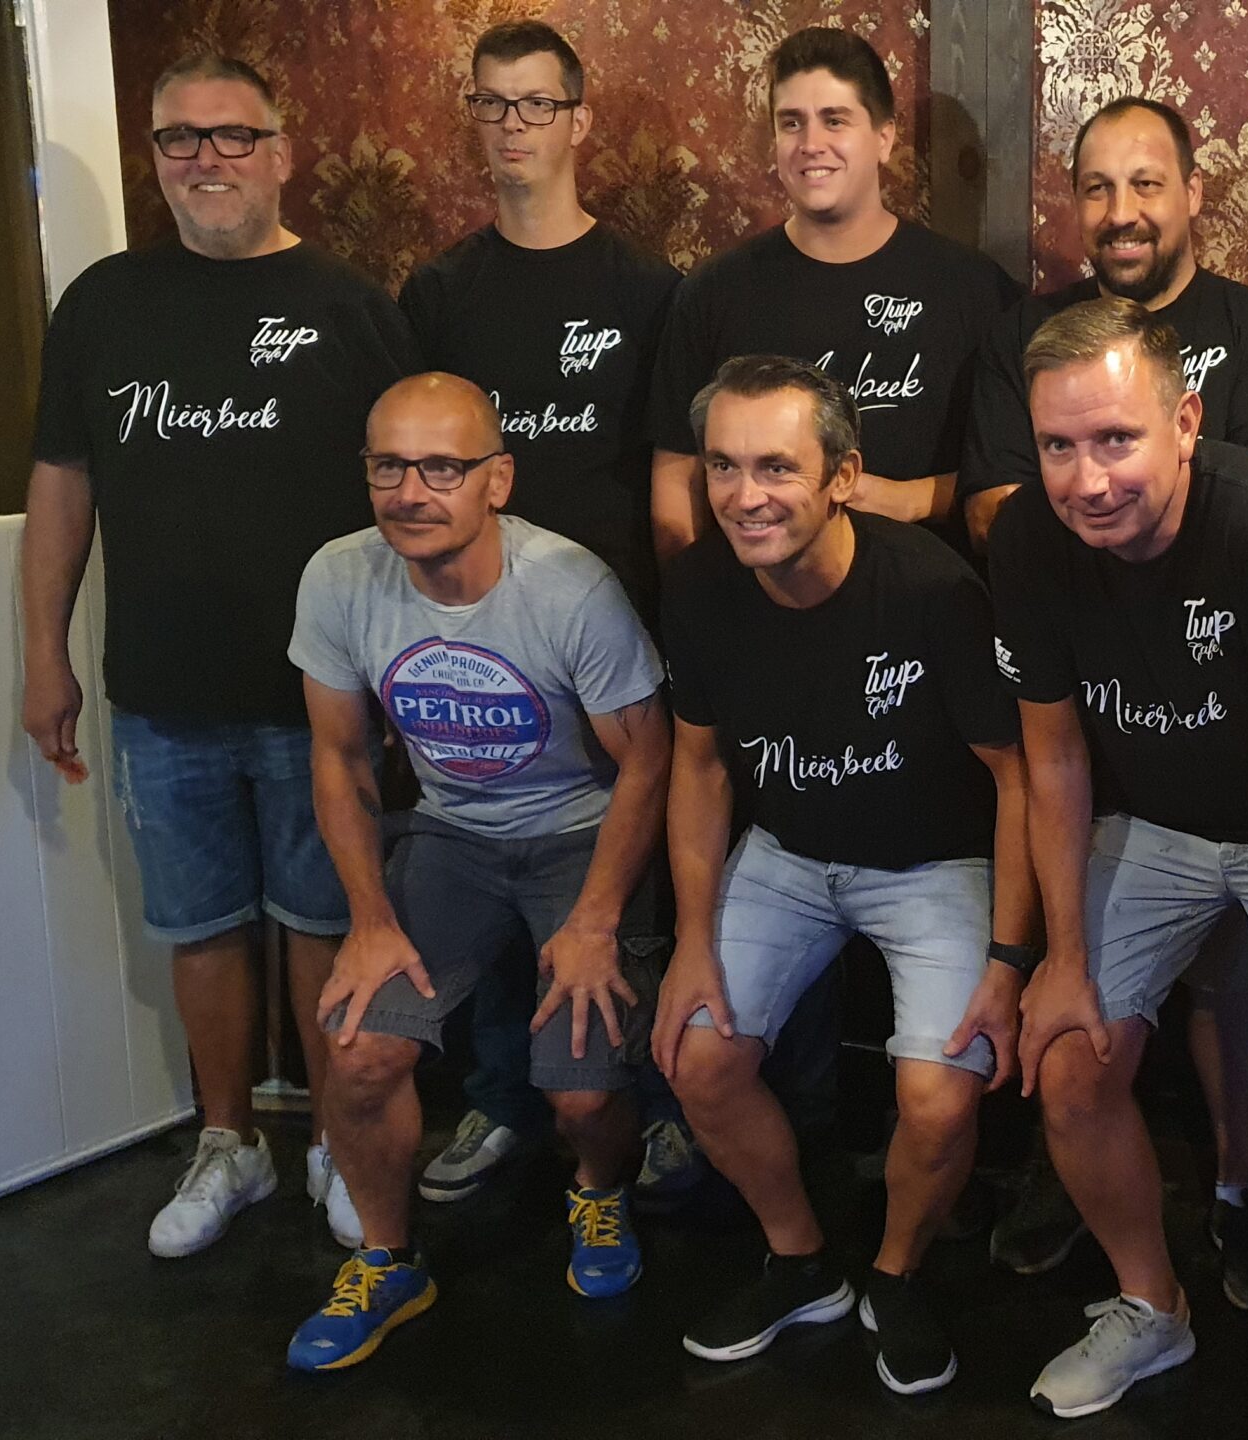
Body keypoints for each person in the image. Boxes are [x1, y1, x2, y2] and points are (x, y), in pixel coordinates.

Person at [990, 298, 1248, 1440]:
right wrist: (1061, 959)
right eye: (1059, 446)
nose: (1087, 480)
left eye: (1115, 439)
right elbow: (1053, 755)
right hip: (1160, 821)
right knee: (1069, 1059)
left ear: (1184, 422)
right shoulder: (1028, 536)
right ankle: (1151, 1307)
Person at [19, 52, 415, 1260]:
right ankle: (229, 1142)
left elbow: (411, 499)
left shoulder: (353, 308)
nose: (206, 158)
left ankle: (336, 1142)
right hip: (162, 691)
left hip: (321, 699)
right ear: (154, 157)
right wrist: (42, 654)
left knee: (322, 924)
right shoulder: (102, 306)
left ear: (281, 152)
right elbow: (61, 485)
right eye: (179, 138)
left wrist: (405, 670)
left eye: (232, 135)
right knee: (200, 928)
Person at [964, 95, 1248, 1306]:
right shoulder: (1025, 334)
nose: (1120, 211)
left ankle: (1241, 1188)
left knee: (1240, 994)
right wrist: (1121, 502)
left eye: (1146, 183)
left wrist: (1109, 519)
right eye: (1097, 188)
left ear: (1192, 194)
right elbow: (997, 512)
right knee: (1079, 1021)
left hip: (1247, 730)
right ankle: (1074, 1188)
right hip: (1093, 724)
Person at [650, 355, 1036, 1395]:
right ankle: (799, 1263)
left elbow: (1018, 778)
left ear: (842, 476)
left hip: (933, 863)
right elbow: (697, 767)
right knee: (697, 1058)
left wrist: (1010, 958)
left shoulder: (933, 590)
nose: (746, 496)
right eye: (723, 467)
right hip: (786, 855)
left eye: (776, 467)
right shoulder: (698, 585)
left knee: (939, 1098)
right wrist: (691, 941)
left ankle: (895, 1275)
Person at [282, 374, 672, 1371]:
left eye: (441, 468)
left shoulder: (570, 588)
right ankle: (387, 1260)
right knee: (359, 1052)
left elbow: (648, 763)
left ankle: (598, 1190)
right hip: (450, 836)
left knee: (582, 1095)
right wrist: (369, 920)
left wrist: (594, 920)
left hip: (581, 835)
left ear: (497, 480)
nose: (411, 492)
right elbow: (340, 757)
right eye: (388, 467)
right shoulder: (338, 577)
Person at [397, 19, 683, 1206]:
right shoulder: (439, 293)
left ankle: (651, 1108)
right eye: (491, 104)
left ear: (579, 120)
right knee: (488, 865)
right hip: (472, 648)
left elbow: (668, 476)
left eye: (535, 104)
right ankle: (500, 1100)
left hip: (613, 646)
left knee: (619, 895)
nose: (512, 125)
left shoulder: (647, 291)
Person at [645, 25, 1020, 558]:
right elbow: (677, 489)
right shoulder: (713, 292)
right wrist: (695, 596)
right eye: (791, 123)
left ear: (884, 138)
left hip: (935, 595)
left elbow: (1017, 474)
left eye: (835, 120)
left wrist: (907, 498)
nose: (810, 144)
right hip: (759, 598)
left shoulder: (974, 289)